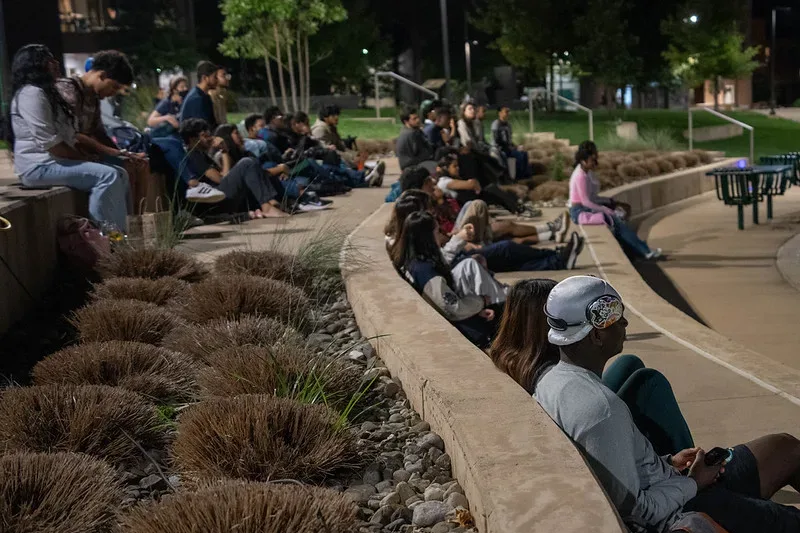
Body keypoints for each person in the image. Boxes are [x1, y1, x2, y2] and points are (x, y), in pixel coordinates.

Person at [536, 275, 800, 533]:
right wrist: (695, 483)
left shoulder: (550, 382)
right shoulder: (600, 409)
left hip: (675, 483)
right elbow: (639, 512)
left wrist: (669, 463)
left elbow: (616, 468)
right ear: (595, 336)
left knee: (785, 446)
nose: (625, 322)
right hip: (682, 508)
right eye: (616, 316)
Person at [491, 277, 694, 456]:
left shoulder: (513, 355)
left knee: (629, 363)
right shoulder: (549, 370)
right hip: (578, 418)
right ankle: (690, 467)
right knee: (649, 382)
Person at [8, 44, 129, 231]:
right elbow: (53, 145)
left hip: (54, 163)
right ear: (36, 65)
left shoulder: (49, 93)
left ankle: (122, 234)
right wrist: (84, 158)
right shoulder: (31, 94)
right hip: (38, 166)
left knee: (120, 173)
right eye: (49, 59)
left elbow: (73, 134)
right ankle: (107, 237)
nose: (55, 63)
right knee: (107, 175)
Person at [391, 210, 502, 348]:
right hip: (461, 328)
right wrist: (481, 301)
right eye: (437, 231)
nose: (440, 235)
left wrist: (477, 308)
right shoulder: (426, 271)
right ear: (427, 237)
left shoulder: (411, 261)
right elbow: (454, 309)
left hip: (456, 317)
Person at [570, 141, 661, 260]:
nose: (594, 163)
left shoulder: (587, 173)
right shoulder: (580, 176)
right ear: (583, 160)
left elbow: (593, 198)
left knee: (619, 214)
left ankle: (638, 250)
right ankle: (645, 251)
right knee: (615, 220)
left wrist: (609, 201)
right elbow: (586, 201)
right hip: (579, 211)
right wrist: (606, 209)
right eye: (592, 160)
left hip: (585, 207)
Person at [179, 118, 289, 217]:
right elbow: (221, 179)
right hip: (215, 202)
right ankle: (267, 207)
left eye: (209, 134)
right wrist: (224, 151)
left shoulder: (202, 155)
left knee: (258, 167)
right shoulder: (193, 155)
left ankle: (276, 203)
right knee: (247, 163)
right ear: (193, 139)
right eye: (205, 136)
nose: (210, 138)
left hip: (221, 198)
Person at [491, 105, 530, 180]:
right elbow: (495, 140)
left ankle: (526, 175)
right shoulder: (496, 124)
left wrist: (515, 146)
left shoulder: (508, 125)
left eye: (508, 112)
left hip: (509, 147)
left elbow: (509, 140)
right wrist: (507, 148)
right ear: (500, 113)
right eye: (506, 112)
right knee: (518, 156)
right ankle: (517, 177)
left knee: (524, 153)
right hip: (500, 149)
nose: (508, 114)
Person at [180, 61, 219, 131]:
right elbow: (202, 130)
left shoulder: (204, 96)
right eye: (215, 77)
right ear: (205, 78)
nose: (217, 80)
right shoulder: (197, 99)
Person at [395, 107, 437, 173]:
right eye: (414, 119)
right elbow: (424, 152)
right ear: (406, 121)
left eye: (417, 117)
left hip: (411, 165)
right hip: (412, 166)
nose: (418, 120)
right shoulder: (412, 133)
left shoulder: (407, 131)